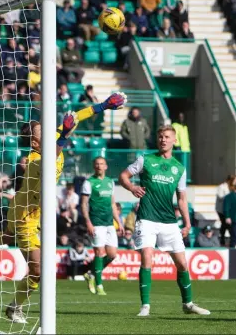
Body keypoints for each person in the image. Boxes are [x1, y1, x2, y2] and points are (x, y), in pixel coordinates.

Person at [0, 92, 127, 323]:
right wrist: (64, 134)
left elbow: (78, 116)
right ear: (34, 141)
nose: (48, 131)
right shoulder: (34, 161)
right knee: (39, 271)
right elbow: (54, 153)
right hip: (26, 214)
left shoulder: (51, 138)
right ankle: (14, 307)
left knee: (6, 236)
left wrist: (104, 105)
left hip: (26, 204)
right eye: (42, 131)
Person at [119, 124, 210, 317]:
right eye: (160, 136)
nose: (163, 139)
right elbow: (123, 176)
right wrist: (132, 188)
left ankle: (188, 304)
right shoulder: (145, 160)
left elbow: (182, 198)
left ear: (174, 140)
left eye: (167, 137)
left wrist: (187, 223)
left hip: (169, 221)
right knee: (147, 259)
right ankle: (145, 306)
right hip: (147, 218)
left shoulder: (179, 168)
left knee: (183, 265)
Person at [81, 157, 124, 296]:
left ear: (106, 166)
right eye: (97, 164)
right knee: (99, 253)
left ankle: (90, 274)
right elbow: (83, 204)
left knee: (112, 255)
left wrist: (119, 222)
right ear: (94, 167)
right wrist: (88, 222)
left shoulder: (110, 182)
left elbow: (113, 204)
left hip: (109, 223)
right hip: (96, 223)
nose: (99, 166)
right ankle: (99, 285)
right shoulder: (89, 183)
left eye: (101, 164)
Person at [216, 175, 235, 246]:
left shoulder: (231, 187)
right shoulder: (222, 187)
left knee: (227, 225)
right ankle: (223, 239)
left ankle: (226, 239)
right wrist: (229, 197)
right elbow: (220, 196)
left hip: (229, 209)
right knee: (225, 224)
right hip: (221, 209)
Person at [224, 179, 236, 248]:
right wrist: (227, 216)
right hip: (234, 220)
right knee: (234, 237)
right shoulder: (229, 196)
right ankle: (233, 254)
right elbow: (226, 208)